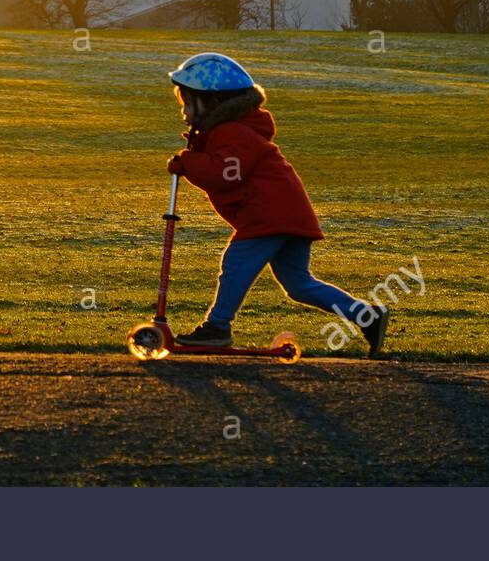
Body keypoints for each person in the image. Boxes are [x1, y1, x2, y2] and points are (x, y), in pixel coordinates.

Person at [165, 52, 388, 357]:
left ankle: (218, 327)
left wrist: (188, 162)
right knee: (299, 285)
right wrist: (191, 163)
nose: (185, 113)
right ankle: (366, 315)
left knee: (235, 264)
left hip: (268, 216)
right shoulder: (230, 133)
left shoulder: (234, 132)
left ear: (212, 104)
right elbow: (221, 172)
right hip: (286, 215)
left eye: (188, 104)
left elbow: (225, 174)